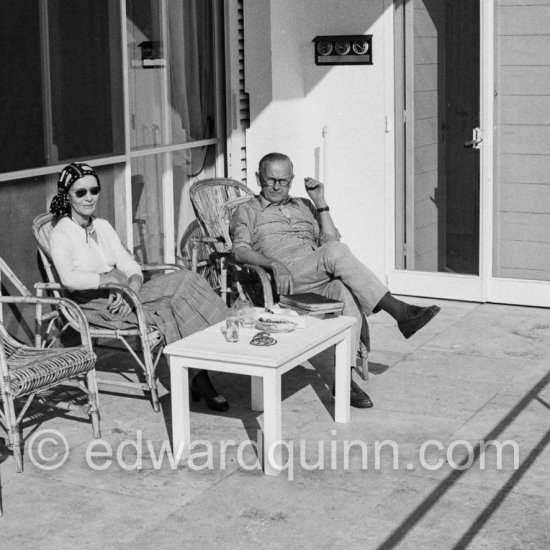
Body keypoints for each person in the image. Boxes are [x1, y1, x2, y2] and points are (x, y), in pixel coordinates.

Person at [230, 152, 440, 409]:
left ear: (292, 180)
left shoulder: (304, 206)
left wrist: (320, 203)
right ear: (257, 178)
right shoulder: (247, 210)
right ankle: (399, 311)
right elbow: (239, 250)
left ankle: (344, 380)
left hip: (317, 273)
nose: (276, 187)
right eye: (269, 180)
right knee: (336, 253)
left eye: (283, 181)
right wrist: (273, 264)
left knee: (345, 291)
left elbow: (331, 242)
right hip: (287, 278)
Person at [48, 162, 230, 411]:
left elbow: (129, 265)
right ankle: (204, 371)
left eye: (94, 190)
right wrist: (109, 282)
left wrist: (130, 288)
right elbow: (68, 278)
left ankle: (201, 370)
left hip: (124, 292)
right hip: (95, 304)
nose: (89, 197)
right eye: (81, 192)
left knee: (185, 280)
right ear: (67, 195)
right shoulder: (62, 233)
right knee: (171, 301)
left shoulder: (102, 226)